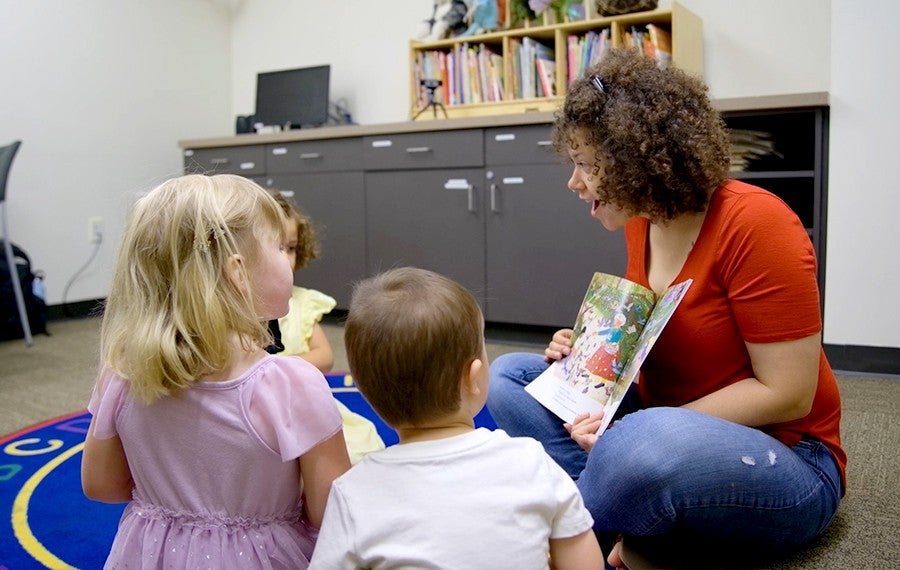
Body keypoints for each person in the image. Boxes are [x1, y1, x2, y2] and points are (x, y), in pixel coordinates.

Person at [487, 48, 845, 568]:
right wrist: (587, 353)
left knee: (642, 443)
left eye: (587, 165)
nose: (574, 181)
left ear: (636, 161)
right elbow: (651, 336)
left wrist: (636, 429)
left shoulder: (758, 223)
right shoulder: (643, 217)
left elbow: (789, 394)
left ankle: (575, 527)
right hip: (660, 424)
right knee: (509, 377)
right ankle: (618, 517)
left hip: (786, 457)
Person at [81, 174, 351, 568]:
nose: (288, 257)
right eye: (279, 246)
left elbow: (101, 485)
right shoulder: (290, 384)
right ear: (237, 272)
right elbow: (330, 511)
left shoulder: (122, 376)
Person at [309, 267, 603, 569]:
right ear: (474, 377)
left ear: (365, 392)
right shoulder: (532, 461)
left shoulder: (353, 493)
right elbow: (585, 562)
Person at [267, 190, 385, 464]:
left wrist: (276, 370)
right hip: (260, 419)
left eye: (292, 248)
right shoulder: (236, 310)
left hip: (305, 408)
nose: (286, 258)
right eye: (276, 248)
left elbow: (325, 357)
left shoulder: (301, 302)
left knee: (359, 451)